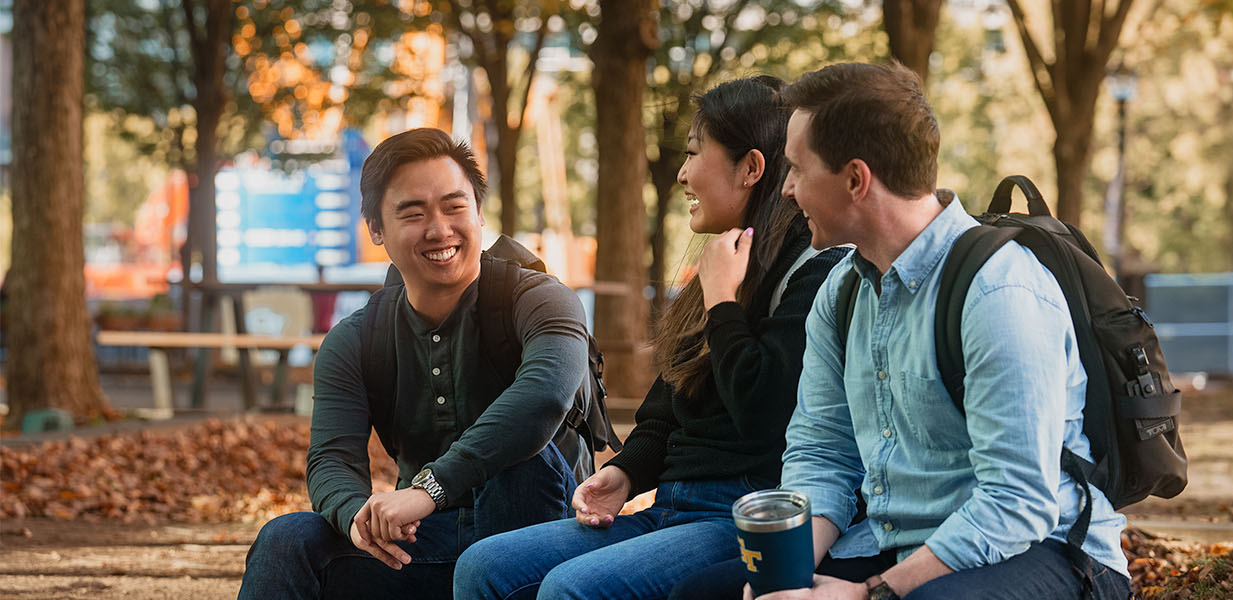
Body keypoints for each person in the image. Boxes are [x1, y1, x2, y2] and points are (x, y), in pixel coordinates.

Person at [671, 63, 1133, 600]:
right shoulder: (841, 292)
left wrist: (871, 593)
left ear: (855, 179)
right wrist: (786, 576)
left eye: (796, 169)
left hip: (1045, 550)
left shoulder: (998, 293)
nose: (788, 189)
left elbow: (1016, 502)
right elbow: (822, 452)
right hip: (898, 542)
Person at [453, 76, 851, 600]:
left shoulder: (814, 272)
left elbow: (763, 410)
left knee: (571, 590)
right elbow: (666, 409)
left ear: (751, 168)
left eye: (693, 153)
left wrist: (724, 305)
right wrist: (624, 473)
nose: (682, 174)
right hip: (671, 507)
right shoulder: (719, 268)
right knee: (483, 566)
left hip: (745, 517)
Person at [239, 128, 592, 599]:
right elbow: (332, 458)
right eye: (413, 212)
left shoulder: (540, 299)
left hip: (543, 543)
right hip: (426, 543)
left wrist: (429, 489)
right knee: (287, 540)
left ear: (479, 213)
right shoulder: (357, 338)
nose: (439, 229)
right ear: (376, 230)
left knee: (522, 460)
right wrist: (357, 517)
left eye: (454, 206)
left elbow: (544, 396)